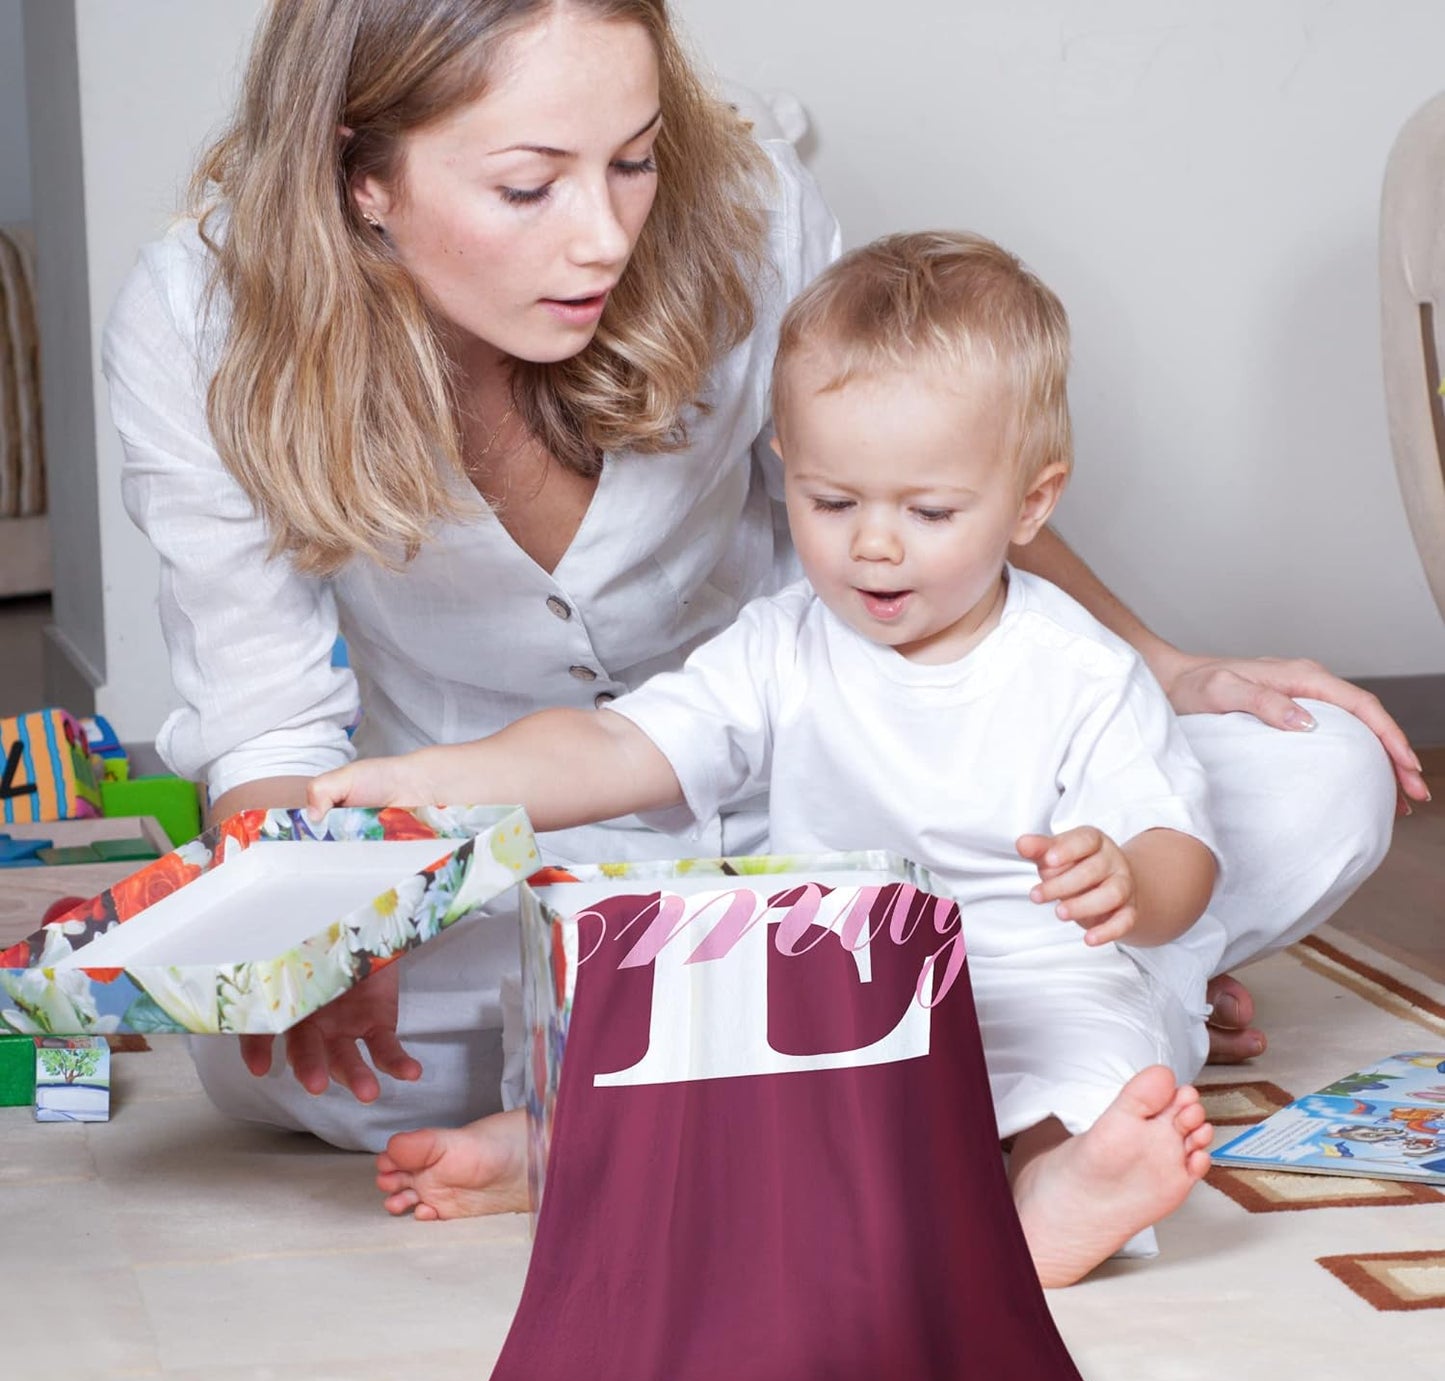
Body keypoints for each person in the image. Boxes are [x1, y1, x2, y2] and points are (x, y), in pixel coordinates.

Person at [104, 0, 1410, 1168]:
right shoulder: (205, 319)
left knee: (1322, 769)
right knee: (265, 1052)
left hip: (867, 800)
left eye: (632, 158)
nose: (606, 234)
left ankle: (1009, 1004)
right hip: (538, 836)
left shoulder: (743, 207)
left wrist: (1167, 681)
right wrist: (332, 908)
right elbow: (304, 729)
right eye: (526, 187)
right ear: (360, 170)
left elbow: (928, 474)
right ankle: (1039, 1017)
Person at [312, 230, 1227, 1287]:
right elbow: (618, 742)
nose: (872, 545)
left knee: (1098, 1068)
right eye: (830, 503)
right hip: (828, 977)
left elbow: (1179, 853)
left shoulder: (1078, 668)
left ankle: (1052, 1196)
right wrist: (444, 779)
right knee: (685, 1027)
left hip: (1026, 969)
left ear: (1029, 503)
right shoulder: (782, 642)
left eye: (927, 512)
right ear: (786, 467)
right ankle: (561, 1148)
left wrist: (1126, 878)